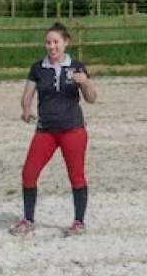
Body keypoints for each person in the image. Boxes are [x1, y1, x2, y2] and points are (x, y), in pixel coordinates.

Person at [12, 23, 97, 236]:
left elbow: (92, 99)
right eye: (49, 42)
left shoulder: (76, 67)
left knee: (76, 175)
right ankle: (28, 219)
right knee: (29, 173)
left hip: (72, 130)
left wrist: (85, 83)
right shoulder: (38, 68)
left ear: (65, 43)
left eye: (56, 42)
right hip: (46, 130)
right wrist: (26, 109)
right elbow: (28, 93)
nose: (52, 46)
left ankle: (78, 222)